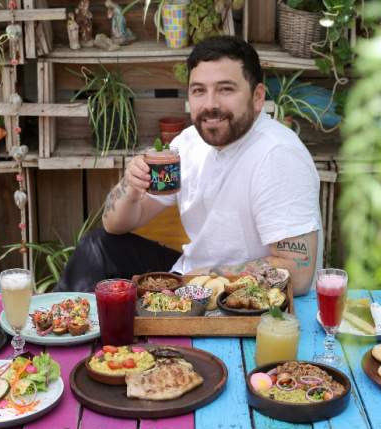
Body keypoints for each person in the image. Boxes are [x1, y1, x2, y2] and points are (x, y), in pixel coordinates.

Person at [55, 35, 322, 296]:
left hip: (247, 298)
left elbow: (297, 274)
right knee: (98, 246)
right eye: (199, 91)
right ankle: (66, 329)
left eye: (225, 89)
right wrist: (132, 185)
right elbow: (115, 225)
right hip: (190, 279)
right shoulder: (188, 144)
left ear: (257, 97)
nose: (210, 105)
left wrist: (208, 278)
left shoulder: (278, 155)